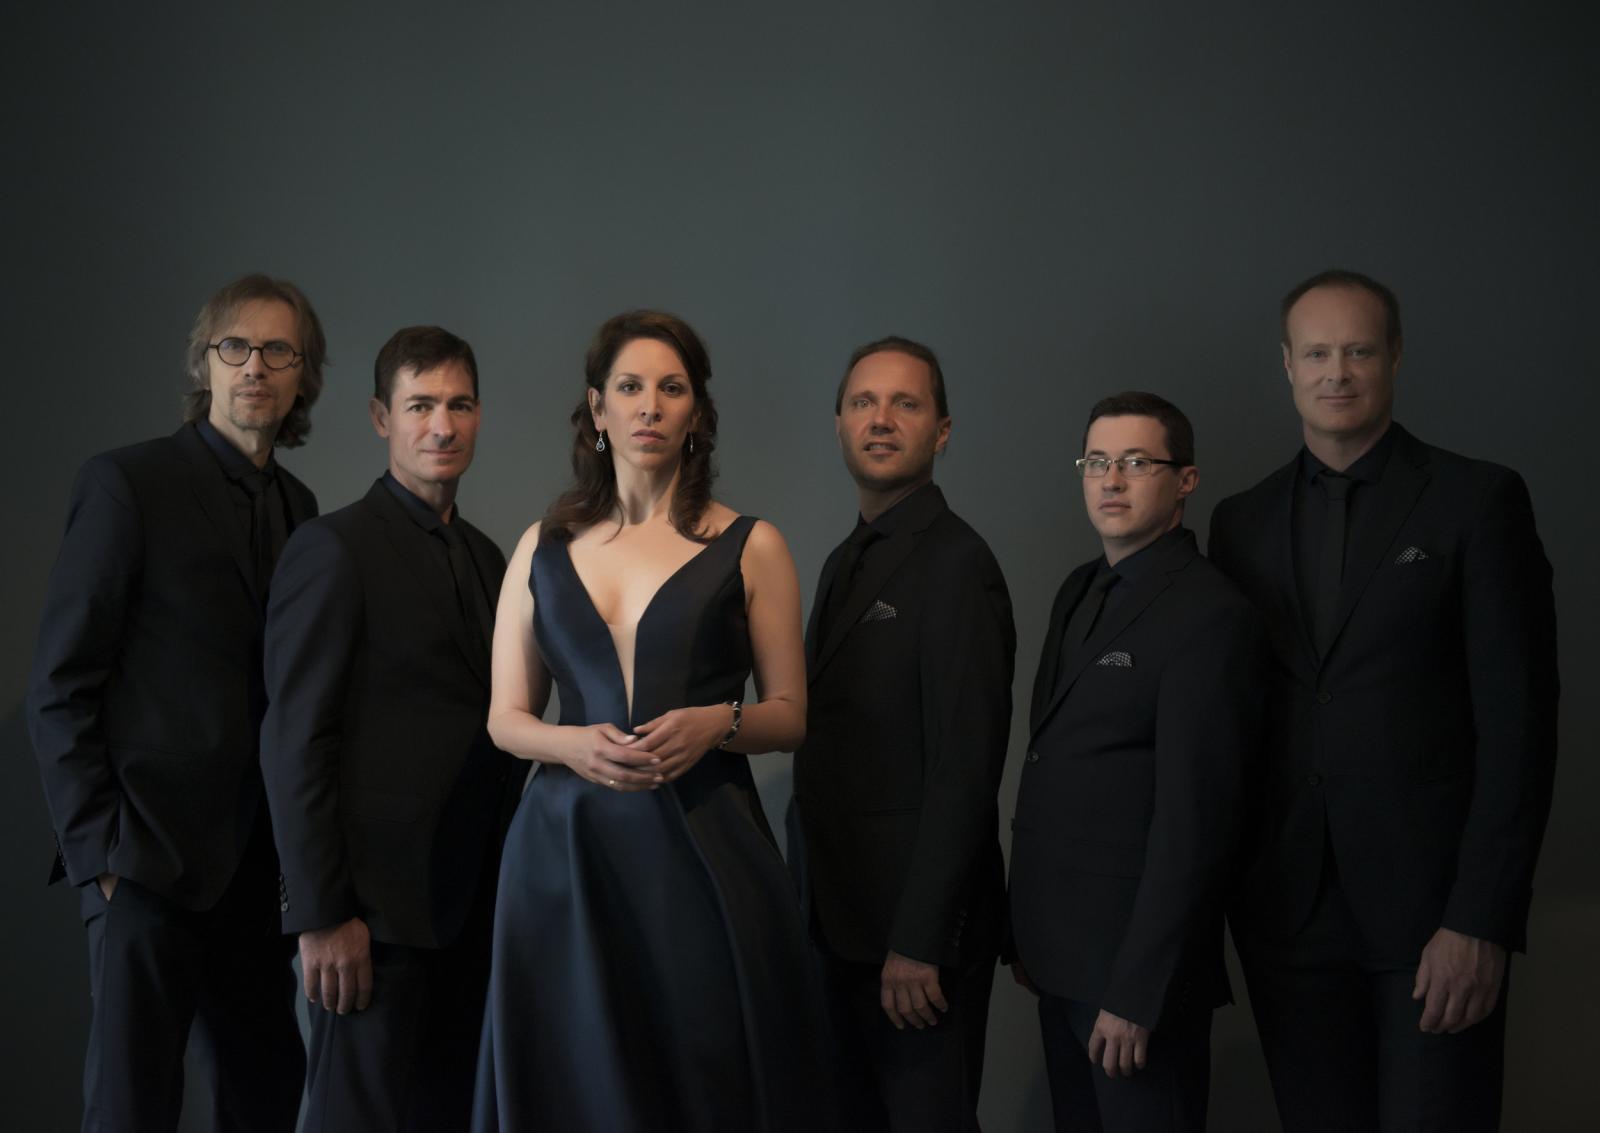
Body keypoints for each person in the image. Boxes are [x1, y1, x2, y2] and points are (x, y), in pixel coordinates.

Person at [1208, 269, 1559, 1132]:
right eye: (1318, 352)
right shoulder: (1238, 522)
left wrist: (1481, 919)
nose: (1338, 371)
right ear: (1286, 365)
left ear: (1395, 357)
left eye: (1359, 349)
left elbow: (1520, 727)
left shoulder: (1478, 500)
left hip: (1434, 920)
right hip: (1288, 917)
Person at [472, 310, 831, 1132]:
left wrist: (717, 721)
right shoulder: (541, 545)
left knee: (703, 1082)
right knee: (572, 1081)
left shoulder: (752, 543)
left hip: (700, 844)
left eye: (672, 389)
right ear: (597, 408)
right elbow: (505, 718)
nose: (650, 406)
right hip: (564, 853)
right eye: (630, 387)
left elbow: (790, 714)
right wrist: (571, 743)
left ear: (697, 413)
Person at [27, 273, 324, 1131]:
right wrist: (101, 854)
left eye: (278, 350)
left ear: (303, 374)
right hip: (144, 860)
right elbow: (59, 683)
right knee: (131, 1108)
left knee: (263, 1098)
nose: (254, 367)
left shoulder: (302, 510)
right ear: (206, 361)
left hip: (255, 873)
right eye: (235, 346)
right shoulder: (128, 482)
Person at [261, 326, 516, 1131]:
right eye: (420, 405)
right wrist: (321, 913)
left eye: (459, 404)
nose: (442, 425)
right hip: (366, 924)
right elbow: (295, 739)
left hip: (473, 914)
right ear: (381, 416)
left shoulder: (488, 557)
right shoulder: (333, 547)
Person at [1007, 392, 1263, 1132]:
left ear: (1185, 480)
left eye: (1135, 462)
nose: (1111, 479)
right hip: (1061, 957)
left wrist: (1138, 991)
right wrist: (1028, 935)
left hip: (1134, 976)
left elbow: (1197, 825)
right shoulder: (1079, 590)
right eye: (1096, 461)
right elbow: (1053, 759)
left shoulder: (1209, 613)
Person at [788, 337, 1015, 1132]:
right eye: (863, 403)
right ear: (840, 424)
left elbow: (966, 765)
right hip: (837, 927)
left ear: (942, 431)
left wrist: (920, 940)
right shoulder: (841, 561)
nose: (880, 420)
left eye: (905, 404)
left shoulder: (958, 564)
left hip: (914, 946)